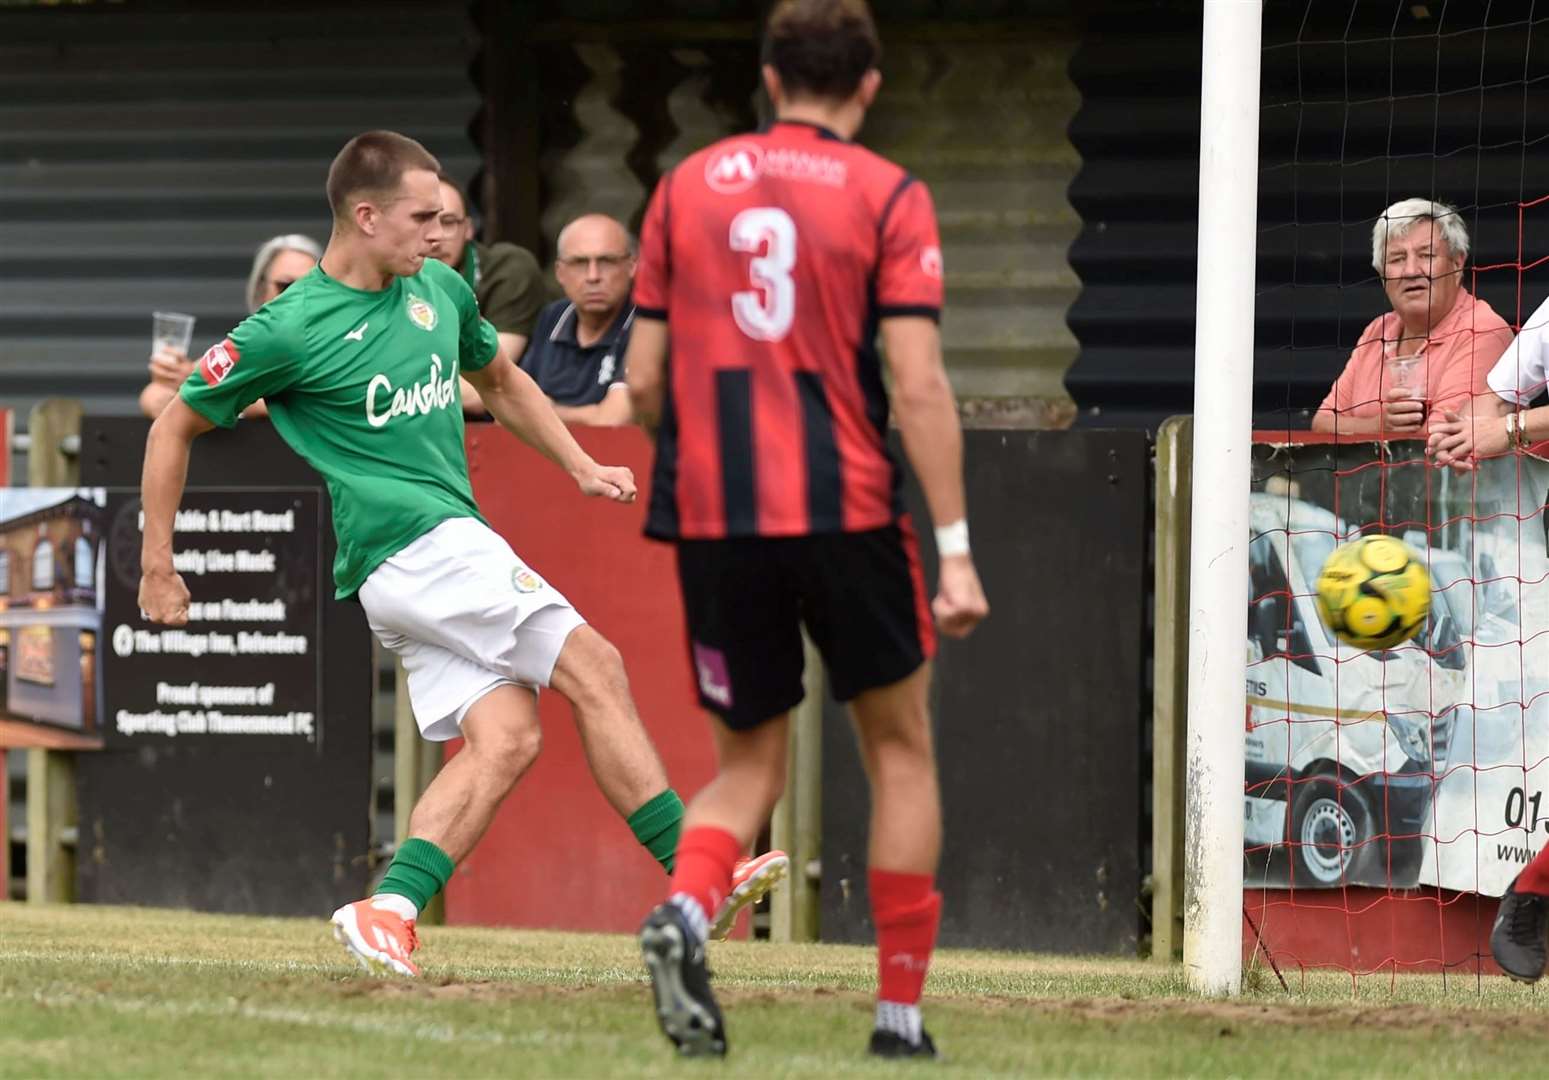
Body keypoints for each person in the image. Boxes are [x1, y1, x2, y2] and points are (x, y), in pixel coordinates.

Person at [136, 131, 783, 979]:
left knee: (507, 739)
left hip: (414, 565)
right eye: (421, 217)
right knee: (595, 664)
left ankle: (387, 909)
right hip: (415, 548)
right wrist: (158, 560)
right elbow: (173, 421)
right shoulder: (286, 327)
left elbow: (507, 385)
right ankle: (702, 875)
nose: (440, 233)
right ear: (365, 217)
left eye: (445, 216)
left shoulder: (438, 289)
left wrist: (581, 464)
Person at [625, 0, 988, 1060]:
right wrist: (955, 552)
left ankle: (687, 915)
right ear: (868, 86)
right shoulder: (889, 195)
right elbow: (917, 387)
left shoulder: (682, 188)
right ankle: (898, 1018)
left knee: (747, 769)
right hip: (847, 508)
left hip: (714, 513)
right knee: (899, 753)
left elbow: (641, 380)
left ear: (770, 80)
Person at [1310, 198, 1512, 437]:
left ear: (1457, 264)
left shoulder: (1483, 331)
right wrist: (1378, 425)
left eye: (1426, 255)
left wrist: (1360, 430)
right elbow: (1321, 425)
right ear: (1382, 274)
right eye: (1397, 259)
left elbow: (1436, 442)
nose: (1411, 271)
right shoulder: (1378, 330)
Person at [138, 234, 322, 419]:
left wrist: (204, 385)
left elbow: (309, 401)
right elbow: (156, 399)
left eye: (307, 287)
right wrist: (167, 381)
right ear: (260, 289)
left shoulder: (336, 344)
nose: (296, 297)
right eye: (285, 286)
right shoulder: (249, 343)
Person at [429, 173, 549, 417]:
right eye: (424, 220)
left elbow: (484, 388)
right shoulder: (388, 275)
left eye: (448, 221)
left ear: (469, 229)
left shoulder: (507, 269)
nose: (436, 236)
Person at [518, 214, 636, 426]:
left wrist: (547, 411)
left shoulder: (644, 324)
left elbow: (612, 420)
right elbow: (509, 410)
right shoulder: (552, 317)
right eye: (579, 263)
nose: (593, 276)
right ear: (560, 272)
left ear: (631, 267)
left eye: (606, 261)